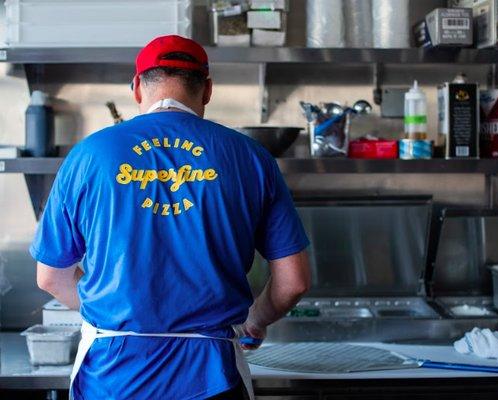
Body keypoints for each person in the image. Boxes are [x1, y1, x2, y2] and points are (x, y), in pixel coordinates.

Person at [30, 35, 311, 400]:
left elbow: (51, 276)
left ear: (136, 88)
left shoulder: (88, 155)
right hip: (212, 379)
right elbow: (294, 283)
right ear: (208, 89)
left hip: (111, 379)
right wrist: (254, 321)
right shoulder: (252, 157)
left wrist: (116, 316)